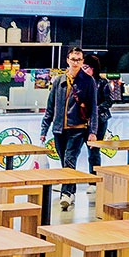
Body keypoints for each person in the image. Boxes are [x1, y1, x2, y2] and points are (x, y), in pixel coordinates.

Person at [40, 45, 98, 210]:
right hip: (59, 129)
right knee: (64, 161)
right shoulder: (59, 81)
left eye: (79, 60)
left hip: (78, 128)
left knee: (69, 159)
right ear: (67, 60)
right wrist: (44, 130)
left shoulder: (88, 81)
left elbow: (93, 108)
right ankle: (70, 191)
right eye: (73, 59)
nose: (76, 62)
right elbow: (50, 107)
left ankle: (65, 194)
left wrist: (92, 131)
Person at [82, 53, 112, 174]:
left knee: (94, 151)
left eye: (85, 67)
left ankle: (94, 180)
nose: (83, 70)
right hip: (82, 119)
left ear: (93, 68)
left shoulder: (102, 83)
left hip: (99, 120)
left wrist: (95, 110)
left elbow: (109, 101)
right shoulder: (80, 82)